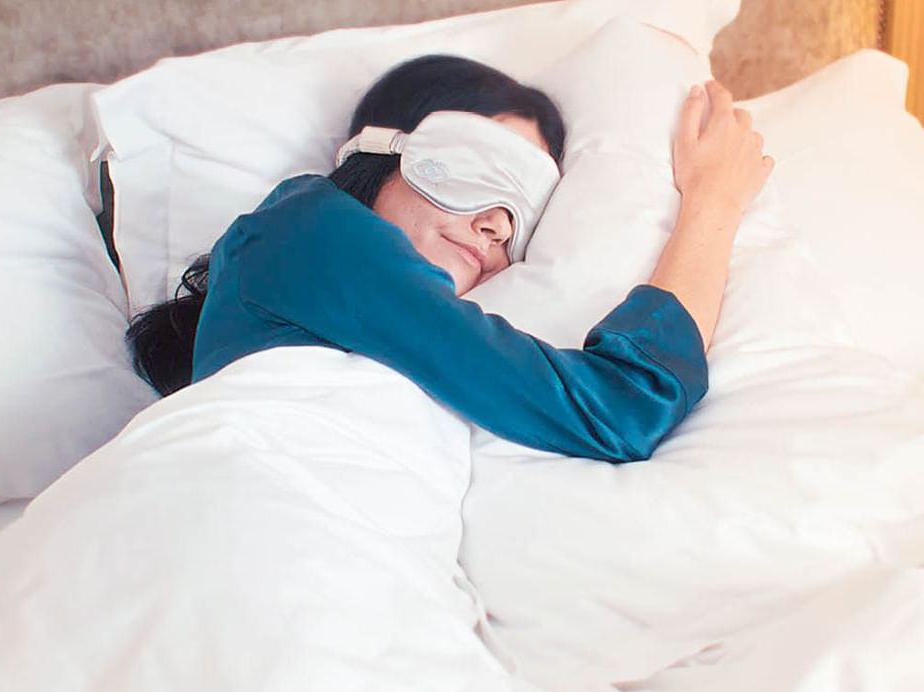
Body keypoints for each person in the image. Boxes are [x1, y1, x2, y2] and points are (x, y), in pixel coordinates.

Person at [127, 54, 772, 462]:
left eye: (526, 210)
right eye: (480, 168)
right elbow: (622, 408)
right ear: (380, 151)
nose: (498, 223)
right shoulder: (305, 227)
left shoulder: (403, 335)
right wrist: (713, 203)